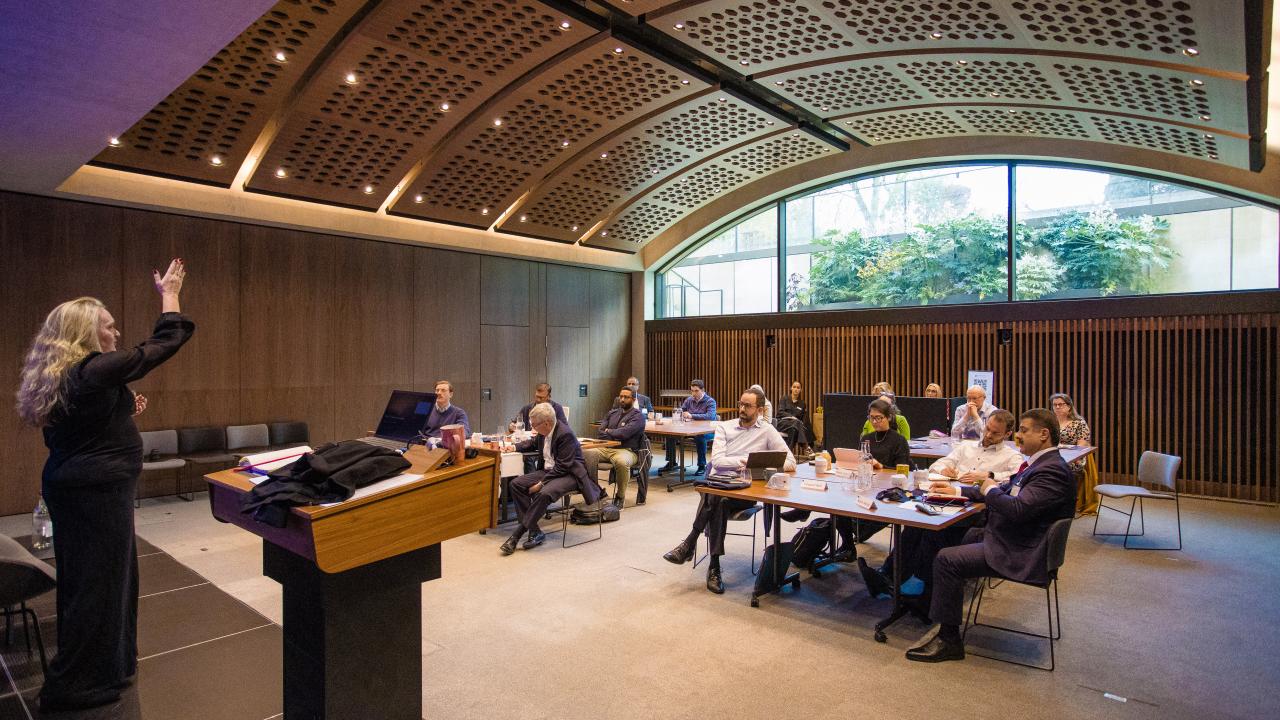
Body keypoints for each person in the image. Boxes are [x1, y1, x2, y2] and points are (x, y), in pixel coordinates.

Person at [16, 260, 193, 711]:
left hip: (87, 492)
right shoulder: (91, 369)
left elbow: (82, 428)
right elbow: (162, 344)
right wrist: (169, 296)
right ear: (84, 334)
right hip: (93, 496)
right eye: (109, 328)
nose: (115, 334)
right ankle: (80, 683)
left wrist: (119, 410)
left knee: (104, 581)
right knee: (98, 586)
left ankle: (110, 665)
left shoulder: (71, 374)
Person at [906, 408, 1076, 663]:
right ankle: (927, 602)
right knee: (944, 535)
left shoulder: (1050, 471)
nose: (1018, 436)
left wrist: (989, 488)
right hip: (1011, 537)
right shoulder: (1038, 465)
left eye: (1023, 431)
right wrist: (954, 489)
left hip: (1022, 551)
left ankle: (948, 640)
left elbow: (1016, 508)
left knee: (947, 559)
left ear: (1043, 435)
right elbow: (1006, 489)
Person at [858, 410, 1022, 601]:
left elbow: (1015, 480)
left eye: (995, 433)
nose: (988, 435)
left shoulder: (1011, 456)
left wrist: (990, 476)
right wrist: (945, 468)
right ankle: (889, 575)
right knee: (916, 521)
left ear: (1007, 434)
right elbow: (937, 465)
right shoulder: (966, 447)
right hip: (946, 498)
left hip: (975, 507)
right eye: (987, 429)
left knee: (933, 530)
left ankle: (925, 590)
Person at [662, 388, 795, 593]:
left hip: (745, 490)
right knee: (719, 499)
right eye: (740, 404)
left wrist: (759, 466)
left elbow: (791, 462)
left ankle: (690, 544)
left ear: (759, 410)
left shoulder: (767, 430)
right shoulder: (725, 427)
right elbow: (717, 461)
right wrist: (747, 461)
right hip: (720, 484)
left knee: (714, 497)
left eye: (747, 406)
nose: (741, 409)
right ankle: (713, 566)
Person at [783, 398, 910, 558]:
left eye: (879, 418)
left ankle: (806, 514)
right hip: (866, 485)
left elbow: (903, 471)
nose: (875, 422)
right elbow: (860, 461)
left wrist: (881, 466)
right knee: (838, 495)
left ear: (889, 417)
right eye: (872, 418)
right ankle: (845, 544)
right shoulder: (867, 438)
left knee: (844, 501)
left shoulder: (899, 440)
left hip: (887, 492)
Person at [500, 403, 599, 555]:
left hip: (569, 474)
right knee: (516, 484)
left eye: (534, 425)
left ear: (546, 423)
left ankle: (516, 535)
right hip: (550, 471)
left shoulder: (565, 434)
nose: (532, 428)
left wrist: (541, 483)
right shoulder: (544, 432)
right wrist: (514, 447)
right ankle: (535, 531)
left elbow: (562, 466)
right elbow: (532, 443)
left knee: (544, 493)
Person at [584, 386, 647, 511]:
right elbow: (601, 432)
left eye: (626, 397)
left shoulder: (638, 416)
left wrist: (610, 431)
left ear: (633, 399)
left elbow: (625, 433)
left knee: (621, 462)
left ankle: (620, 497)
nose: (622, 399)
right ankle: (597, 491)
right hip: (606, 448)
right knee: (584, 454)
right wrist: (613, 433)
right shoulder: (612, 413)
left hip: (627, 450)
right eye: (621, 396)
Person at [657, 379, 717, 476]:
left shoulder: (710, 401)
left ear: (703, 390)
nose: (693, 393)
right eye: (692, 391)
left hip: (706, 431)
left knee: (700, 437)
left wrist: (692, 416)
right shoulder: (689, 400)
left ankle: (702, 465)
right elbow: (682, 411)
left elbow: (710, 416)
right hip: (689, 429)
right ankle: (672, 462)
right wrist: (680, 413)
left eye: (696, 391)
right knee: (670, 435)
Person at [1050, 392, 1090, 476]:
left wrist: (1063, 447)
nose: (1057, 407)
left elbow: (1081, 447)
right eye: (1055, 405)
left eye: (1060, 404)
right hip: (1053, 455)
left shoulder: (1079, 423)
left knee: (1052, 467)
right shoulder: (1050, 422)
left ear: (1069, 406)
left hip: (1074, 458)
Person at [775, 380, 813, 453]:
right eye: (794, 387)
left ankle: (787, 453)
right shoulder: (784, 399)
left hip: (794, 425)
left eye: (798, 387)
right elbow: (780, 412)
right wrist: (791, 417)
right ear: (791, 388)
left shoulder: (802, 404)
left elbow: (804, 419)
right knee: (796, 424)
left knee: (793, 430)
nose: (796, 389)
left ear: (801, 390)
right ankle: (806, 447)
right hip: (783, 423)